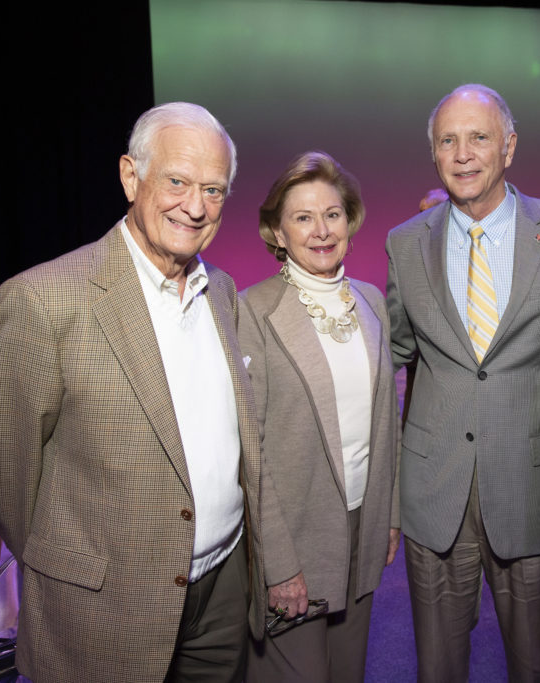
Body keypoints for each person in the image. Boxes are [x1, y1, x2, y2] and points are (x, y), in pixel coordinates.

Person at [0, 102, 265, 683]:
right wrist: (72, 562)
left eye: (214, 189)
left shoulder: (221, 290)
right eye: (176, 181)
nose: (195, 207)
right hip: (104, 608)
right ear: (131, 176)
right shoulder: (47, 299)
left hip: (223, 591)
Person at [386, 83, 540, 682]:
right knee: (438, 668)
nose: (463, 153)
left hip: (531, 489)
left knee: (534, 665)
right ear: (433, 153)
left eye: (478, 137)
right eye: (447, 140)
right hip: (434, 489)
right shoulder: (405, 243)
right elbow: (396, 349)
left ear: (509, 146)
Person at [238, 151, 400, 682]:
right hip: (295, 536)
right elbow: (249, 451)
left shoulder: (372, 301)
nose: (321, 230)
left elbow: (386, 425)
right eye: (303, 218)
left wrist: (389, 515)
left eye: (332, 214)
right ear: (277, 233)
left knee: (348, 672)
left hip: (360, 524)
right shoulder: (253, 311)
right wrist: (278, 563)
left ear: (349, 222)